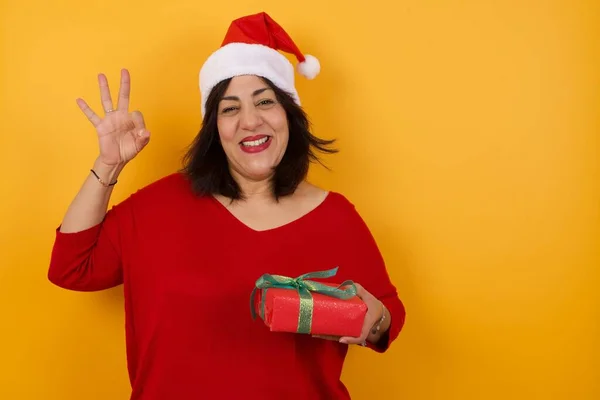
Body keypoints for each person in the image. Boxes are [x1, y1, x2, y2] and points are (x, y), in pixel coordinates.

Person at [48, 11, 406, 400]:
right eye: (230, 108)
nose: (250, 121)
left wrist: (374, 320)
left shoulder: (335, 217)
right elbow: (71, 268)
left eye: (265, 101)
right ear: (214, 129)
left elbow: (386, 317)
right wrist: (109, 163)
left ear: (289, 115)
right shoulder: (158, 207)